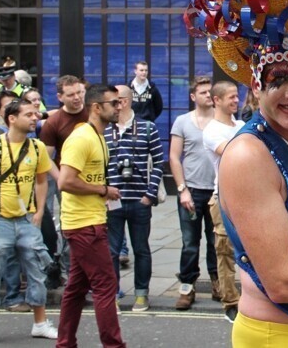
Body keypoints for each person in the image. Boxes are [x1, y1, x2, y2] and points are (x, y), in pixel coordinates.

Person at [0, 99, 59, 345]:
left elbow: (42, 180)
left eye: (35, 114)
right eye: (28, 114)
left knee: (36, 270)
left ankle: (40, 323)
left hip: (26, 220)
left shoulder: (36, 147)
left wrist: (38, 212)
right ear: (11, 118)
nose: (35, 118)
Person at [56, 84, 125, 348]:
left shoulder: (98, 137)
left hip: (89, 222)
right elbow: (65, 181)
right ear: (97, 107)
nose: (119, 107)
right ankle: (114, 345)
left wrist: (103, 192)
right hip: (85, 225)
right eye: (114, 103)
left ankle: (64, 343)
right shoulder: (82, 138)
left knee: (75, 289)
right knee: (106, 287)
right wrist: (103, 190)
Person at [104, 85, 164, 312]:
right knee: (111, 251)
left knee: (141, 249)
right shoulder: (104, 130)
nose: (111, 105)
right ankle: (113, 296)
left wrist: (149, 195)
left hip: (139, 200)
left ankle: (141, 294)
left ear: (124, 101)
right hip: (112, 200)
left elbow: (158, 162)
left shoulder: (148, 128)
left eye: (114, 101)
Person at [169, 76, 219, 311]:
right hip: (192, 191)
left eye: (210, 92)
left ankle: (218, 284)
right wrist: (182, 190)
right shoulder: (182, 122)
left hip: (217, 191)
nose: (208, 95)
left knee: (216, 241)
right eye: (203, 92)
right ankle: (187, 287)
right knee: (190, 243)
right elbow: (174, 157)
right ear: (193, 97)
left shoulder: (223, 121)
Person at [203, 80, 244, 323]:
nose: (235, 100)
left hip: (247, 196)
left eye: (236, 96)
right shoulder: (211, 131)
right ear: (216, 100)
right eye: (230, 97)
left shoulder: (240, 125)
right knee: (225, 250)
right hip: (224, 197)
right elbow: (233, 153)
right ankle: (230, 301)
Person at [39, 75, 89, 277]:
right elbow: (46, 157)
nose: (77, 98)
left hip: (95, 180)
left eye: (79, 92)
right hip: (69, 183)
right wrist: (61, 178)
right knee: (71, 229)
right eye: (71, 95)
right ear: (60, 97)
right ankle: (72, 274)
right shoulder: (53, 123)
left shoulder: (93, 113)